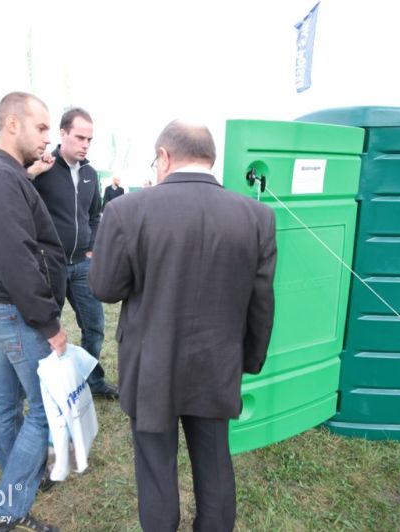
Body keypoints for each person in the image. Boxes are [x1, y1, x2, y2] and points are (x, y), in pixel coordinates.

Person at [89, 120, 277, 532]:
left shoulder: (127, 210)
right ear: (211, 159)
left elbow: (104, 287)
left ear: (164, 157)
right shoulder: (257, 215)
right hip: (216, 364)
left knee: (155, 470)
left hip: (152, 364)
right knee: (214, 462)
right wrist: (250, 360)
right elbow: (261, 300)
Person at [0, 91, 65, 532]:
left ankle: (16, 482)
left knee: (7, 402)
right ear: (12, 124)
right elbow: (18, 258)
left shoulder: (4, 173)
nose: (49, 137)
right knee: (45, 409)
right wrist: (48, 322)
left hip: (3, 307)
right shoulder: (2, 179)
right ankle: (7, 511)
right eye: (42, 127)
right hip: (18, 312)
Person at [32, 107, 118, 399]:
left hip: (82, 266)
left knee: (94, 327)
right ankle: (51, 387)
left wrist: (92, 248)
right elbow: (15, 195)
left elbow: (95, 214)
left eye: (89, 139)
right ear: (63, 134)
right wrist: (33, 171)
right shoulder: (42, 168)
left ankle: (92, 383)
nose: (85, 144)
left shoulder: (91, 174)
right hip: (49, 266)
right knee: (46, 332)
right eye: (80, 137)